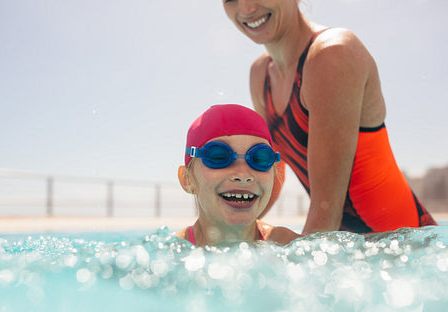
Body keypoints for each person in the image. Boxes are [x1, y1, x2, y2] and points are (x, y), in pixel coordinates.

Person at [221, 0, 437, 234]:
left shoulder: (333, 54)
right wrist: (223, 233)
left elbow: (326, 212)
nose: (246, 9)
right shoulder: (260, 74)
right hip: (353, 251)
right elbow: (271, 177)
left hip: (407, 248)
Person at [174, 104, 299, 246]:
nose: (243, 174)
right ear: (187, 180)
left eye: (260, 158)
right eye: (219, 157)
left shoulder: (289, 247)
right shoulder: (170, 254)